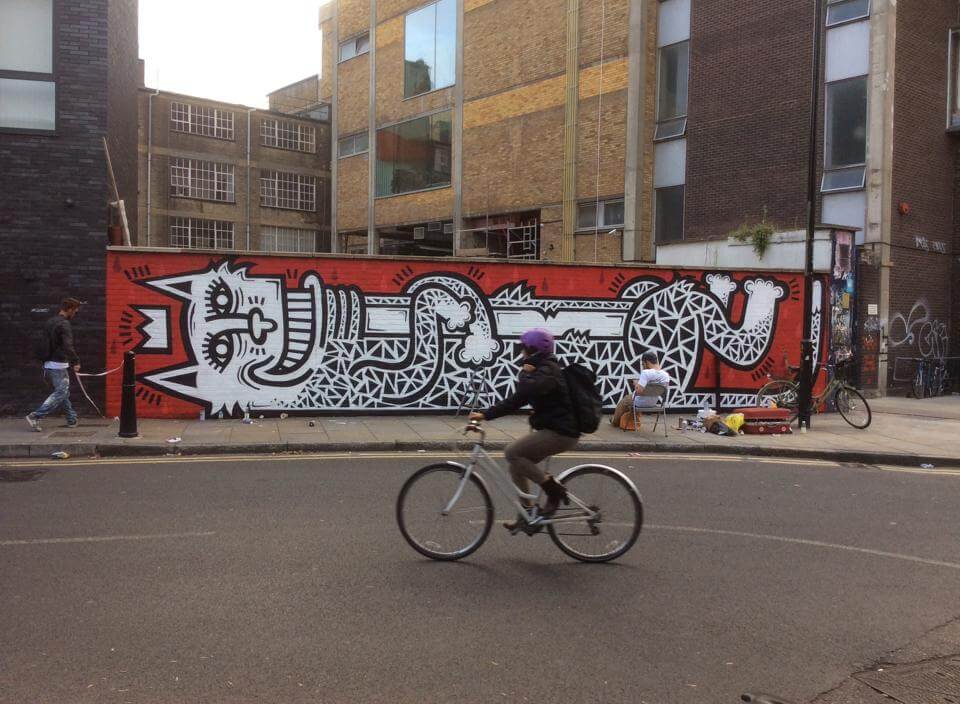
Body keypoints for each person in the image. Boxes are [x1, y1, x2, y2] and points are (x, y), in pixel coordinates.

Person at [469, 328, 580, 531]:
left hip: (562, 433)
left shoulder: (547, 369)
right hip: (554, 429)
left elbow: (528, 389)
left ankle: (553, 490)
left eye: (523, 349)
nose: (521, 353)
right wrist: (485, 415)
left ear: (532, 350)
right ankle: (528, 514)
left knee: (512, 452)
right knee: (516, 466)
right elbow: (515, 401)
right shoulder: (540, 370)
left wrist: (525, 372)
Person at [26, 298, 83, 432]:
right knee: (61, 392)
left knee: (62, 392)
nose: (75, 314)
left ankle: (71, 419)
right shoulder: (64, 324)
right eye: (75, 311)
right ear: (69, 309)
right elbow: (67, 345)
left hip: (48, 364)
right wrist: (75, 361)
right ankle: (36, 415)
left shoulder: (50, 322)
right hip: (58, 364)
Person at [610, 351, 671, 427]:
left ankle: (614, 421)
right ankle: (628, 421)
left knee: (624, 401)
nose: (643, 366)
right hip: (653, 402)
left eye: (643, 364)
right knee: (629, 402)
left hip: (639, 402)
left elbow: (638, 391)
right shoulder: (666, 375)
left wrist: (636, 384)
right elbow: (662, 391)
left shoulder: (646, 373)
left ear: (647, 362)